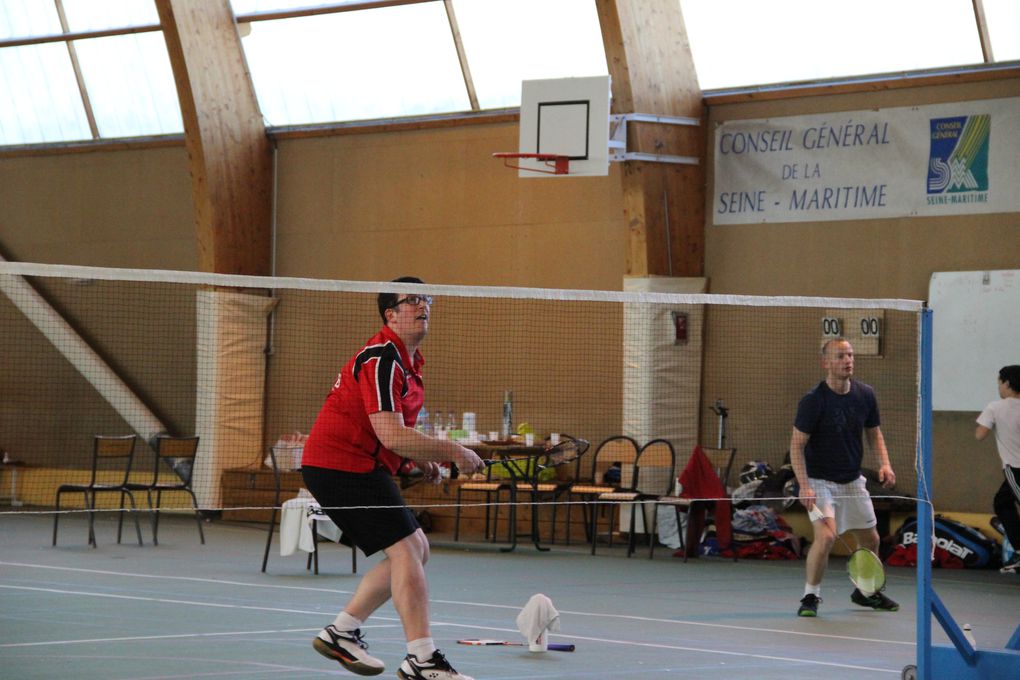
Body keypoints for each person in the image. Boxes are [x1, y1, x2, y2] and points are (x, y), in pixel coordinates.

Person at [301, 276, 484, 680]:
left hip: (357, 463)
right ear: (391, 314)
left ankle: (341, 633)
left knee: (417, 548)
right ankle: (422, 658)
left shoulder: (408, 363)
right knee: (405, 550)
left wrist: (413, 461)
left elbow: (388, 434)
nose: (423, 305)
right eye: (412, 300)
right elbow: (390, 432)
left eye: (426, 299)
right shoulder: (383, 356)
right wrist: (454, 451)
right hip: (339, 463)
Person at [789, 337, 899, 617]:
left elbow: (874, 433)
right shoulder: (813, 401)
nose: (847, 360)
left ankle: (865, 592)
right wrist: (804, 485)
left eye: (850, 355)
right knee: (826, 537)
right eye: (840, 356)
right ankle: (810, 597)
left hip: (852, 480)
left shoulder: (865, 394)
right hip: (819, 481)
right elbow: (796, 445)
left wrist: (884, 464)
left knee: (872, 539)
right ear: (825, 362)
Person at [975, 365, 1020, 574]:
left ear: (1008, 384)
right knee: (1002, 502)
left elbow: (980, 435)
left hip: (1015, 468)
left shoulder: (995, 407)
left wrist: (987, 423)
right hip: (1014, 470)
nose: (999, 387)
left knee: (1004, 503)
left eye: (1000, 383)